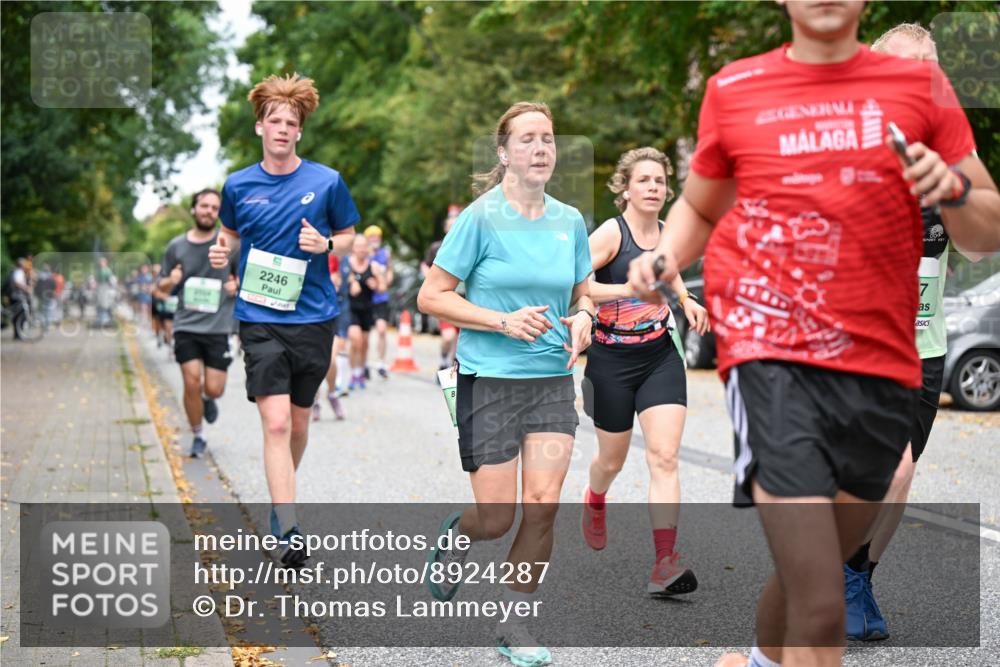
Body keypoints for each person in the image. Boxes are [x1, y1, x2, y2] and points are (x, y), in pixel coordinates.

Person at [626, 2, 1000, 666]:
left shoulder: (924, 94)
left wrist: (952, 190)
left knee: (817, 570)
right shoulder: (736, 88)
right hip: (774, 361)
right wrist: (664, 257)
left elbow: (987, 228)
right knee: (824, 599)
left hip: (885, 369)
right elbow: (704, 203)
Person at [418, 101, 594, 667]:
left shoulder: (570, 221)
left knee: (542, 506)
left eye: (547, 139)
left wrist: (585, 317)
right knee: (495, 520)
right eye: (527, 140)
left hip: (549, 382)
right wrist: (501, 320)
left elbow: (582, 292)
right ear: (504, 153)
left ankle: (514, 622)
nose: (541, 149)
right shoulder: (480, 218)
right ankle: (457, 535)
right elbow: (431, 296)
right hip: (488, 381)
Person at [841, 22, 986, 642]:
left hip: (923, 345)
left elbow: (978, 249)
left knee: (898, 476)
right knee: (892, 469)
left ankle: (856, 572)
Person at [209, 73, 358, 567]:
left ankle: (280, 498)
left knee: (297, 423)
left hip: (314, 316)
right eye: (274, 120)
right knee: (274, 424)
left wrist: (329, 245)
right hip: (258, 316)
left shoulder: (326, 181)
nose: (282, 128)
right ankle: (289, 525)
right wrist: (219, 254)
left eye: (290, 122)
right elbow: (228, 238)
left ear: (299, 131)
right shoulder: (238, 185)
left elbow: (351, 237)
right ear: (259, 128)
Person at [581, 147, 709, 596]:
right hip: (610, 362)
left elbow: (669, 272)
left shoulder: (669, 233)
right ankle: (596, 497)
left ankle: (664, 564)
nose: (653, 187)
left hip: (659, 355)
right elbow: (578, 281)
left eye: (659, 181)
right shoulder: (610, 235)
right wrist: (628, 288)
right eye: (644, 181)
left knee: (664, 457)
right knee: (611, 460)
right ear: (626, 188)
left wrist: (687, 300)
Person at [158, 188, 239, 457]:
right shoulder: (176, 246)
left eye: (215, 208)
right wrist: (172, 281)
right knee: (190, 381)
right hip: (186, 325)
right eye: (204, 206)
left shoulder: (231, 244)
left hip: (219, 326)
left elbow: (243, 278)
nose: (209, 212)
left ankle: (208, 399)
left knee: (213, 387)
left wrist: (234, 285)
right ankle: (198, 435)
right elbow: (160, 286)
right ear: (194, 209)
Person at [421, 205, 462, 370]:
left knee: (459, 342)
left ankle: (451, 372)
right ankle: (443, 359)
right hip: (445, 298)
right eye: (450, 226)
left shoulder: (467, 247)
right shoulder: (438, 248)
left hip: (464, 299)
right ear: (445, 229)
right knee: (448, 336)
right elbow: (424, 265)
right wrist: (431, 280)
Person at [312, 252, 349, 421]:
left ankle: (332, 393)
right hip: (307, 314)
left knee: (330, 359)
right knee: (312, 361)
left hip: (329, 313)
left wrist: (332, 281)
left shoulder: (331, 254)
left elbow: (337, 282)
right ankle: (315, 400)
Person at [346, 234, 386, 390]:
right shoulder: (347, 264)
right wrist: (350, 285)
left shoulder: (373, 266)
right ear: (353, 248)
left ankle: (360, 371)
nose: (361, 249)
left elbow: (383, 288)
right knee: (355, 340)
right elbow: (339, 283)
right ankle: (353, 372)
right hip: (350, 308)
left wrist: (375, 284)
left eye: (364, 246)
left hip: (367, 309)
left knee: (364, 343)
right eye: (358, 246)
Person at [364, 225, 394, 379]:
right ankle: (365, 363)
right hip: (367, 298)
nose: (375, 240)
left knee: (382, 330)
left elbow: (389, 271)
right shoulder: (363, 254)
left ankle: (381, 363)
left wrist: (387, 280)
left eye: (377, 237)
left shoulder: (384, 254)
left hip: (381, 298)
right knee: (365, 334)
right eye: (372, 237)